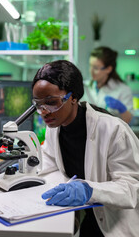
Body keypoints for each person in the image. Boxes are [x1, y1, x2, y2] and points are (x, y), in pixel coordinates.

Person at [31, 60, 139, 237]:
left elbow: (131, 188)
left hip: (118, 224)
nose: (44, 112)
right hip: (88, 217)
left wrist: (90, 190)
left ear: (73, 97)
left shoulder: (114, 130)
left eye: (51, 102)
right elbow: (48, 166)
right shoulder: (54, 129)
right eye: (38, 104)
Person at [81, 46, 133, 124]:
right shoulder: (84, 87)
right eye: (90, 65)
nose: (91, 71)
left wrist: (122, 109)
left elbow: (128, 120)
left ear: (108, 69)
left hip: (112, 134)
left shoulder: (123, 89)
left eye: (95, 68)